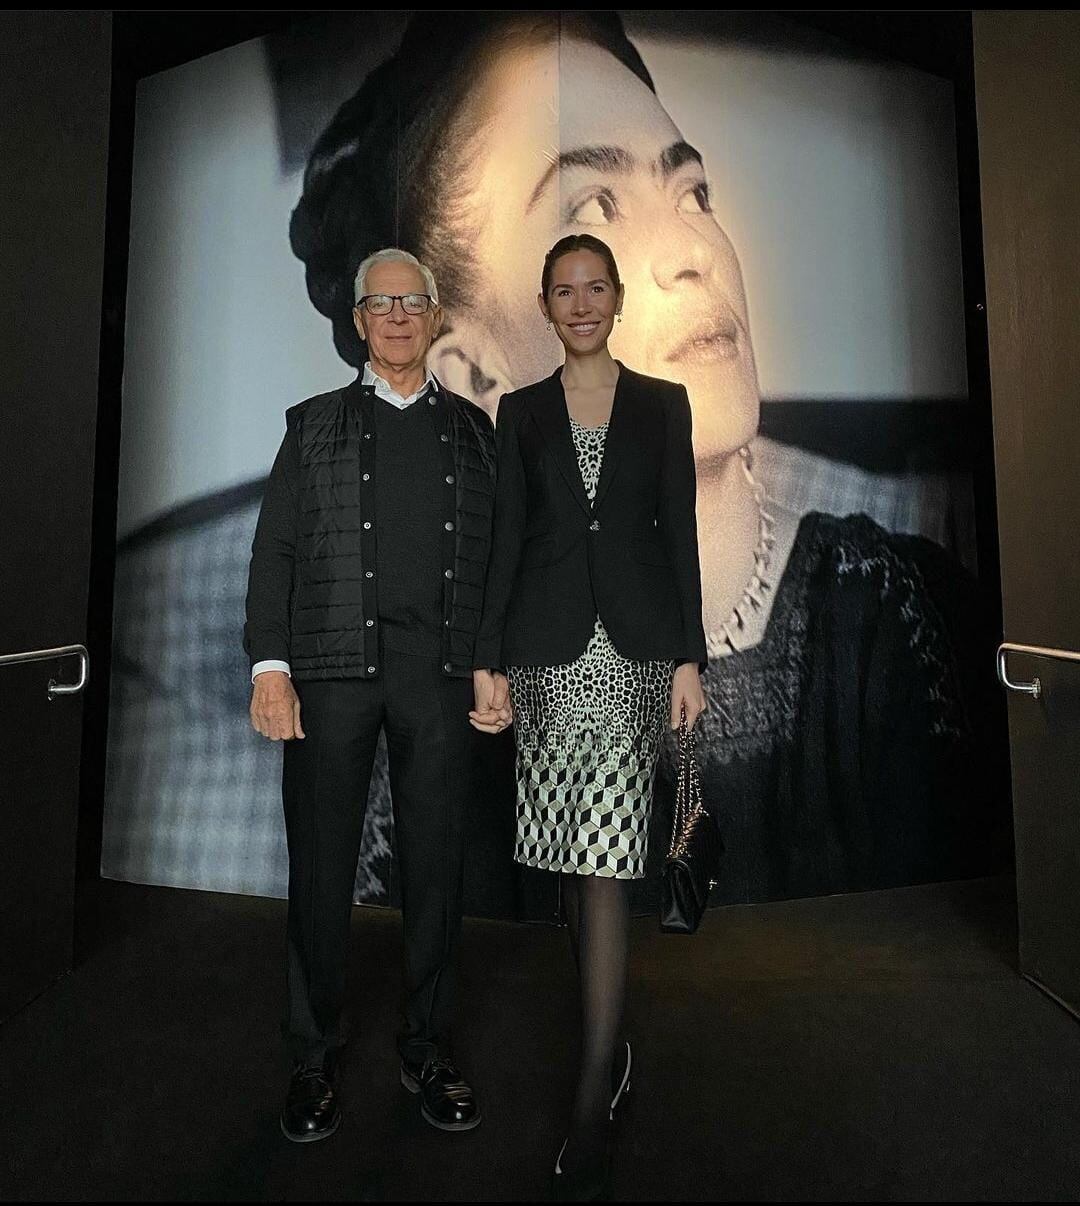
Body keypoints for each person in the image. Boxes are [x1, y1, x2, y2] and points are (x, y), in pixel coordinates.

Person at [291, 10, 1007, 913]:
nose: (693, 253)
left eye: (693, 191)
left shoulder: (904, 618)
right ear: (469, 372)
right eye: (593, 209)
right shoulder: (431, 728)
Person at [469, 233, 707, 1200]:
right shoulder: (518, 412)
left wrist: (690, 654)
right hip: (548, 655)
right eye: (562, 290)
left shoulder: (664, 404)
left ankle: (590, 1093)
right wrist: (489, 660)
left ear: (617, 299)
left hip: (635, 656)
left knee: (606, 867)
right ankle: (613, 1046)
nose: (580, 303)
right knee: (576, 858)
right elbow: (505, 544)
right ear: (543, 303)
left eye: (594, 287)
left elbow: (680, 532)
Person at [244, 247, 498, 1141]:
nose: (396, 315)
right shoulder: (311, 425)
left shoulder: (475, 431)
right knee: (320, 869)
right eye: (379, 302)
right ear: (357, 321)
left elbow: (495, 562)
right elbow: (275, 549)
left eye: (412, 301)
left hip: (436, 680)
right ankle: (312, 1058)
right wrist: (268, 668)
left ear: (434, 316)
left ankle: (427, 1046)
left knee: (437, 870)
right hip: (327, 679)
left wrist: (490, 660)